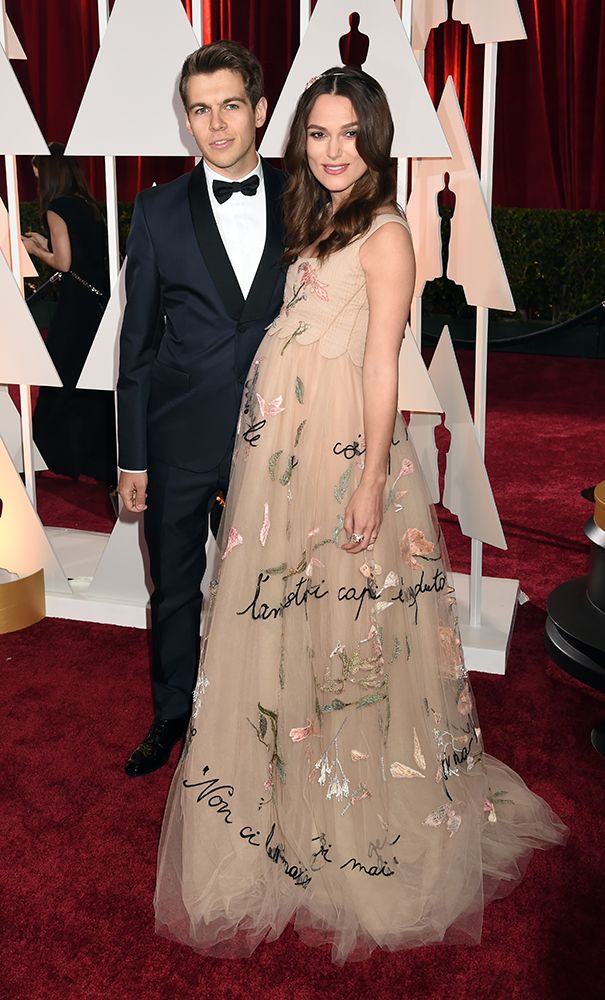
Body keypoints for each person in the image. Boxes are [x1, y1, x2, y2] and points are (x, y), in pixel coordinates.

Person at [153, 66, 567, 963]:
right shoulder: (317, 219)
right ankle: (288, 789)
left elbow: (382, 366)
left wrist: (372, 476)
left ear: (374, 142)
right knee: (284, 621)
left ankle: (359, 810)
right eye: (318, 134)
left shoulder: (385, 234)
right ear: (299, 139)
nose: (333, 150)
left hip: (342, 459)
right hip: (279, 464)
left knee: (350, 635)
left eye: (348, 134)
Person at [117, 42, 287, 777]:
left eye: (230, 106)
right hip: (177, 433)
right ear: (185, 120)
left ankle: (272, 715)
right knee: (176, 585)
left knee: (276, 584)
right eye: (199, 109)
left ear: (259, 110)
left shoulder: (307, 193)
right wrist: (131, 453)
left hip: (280, 435)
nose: (216, 124)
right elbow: (137, 341)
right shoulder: (155, 211)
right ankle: (171, 714)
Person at [22, 142, 116, 486]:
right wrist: (48, 247)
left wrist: (35, 249)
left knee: (61, 379)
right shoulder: (87, 204)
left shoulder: (57, 208)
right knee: (91, 384)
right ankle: (95, 459)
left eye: (37, 174)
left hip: (76, 307)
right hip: (99, 305)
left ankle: (57, 455)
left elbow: (63, 264)